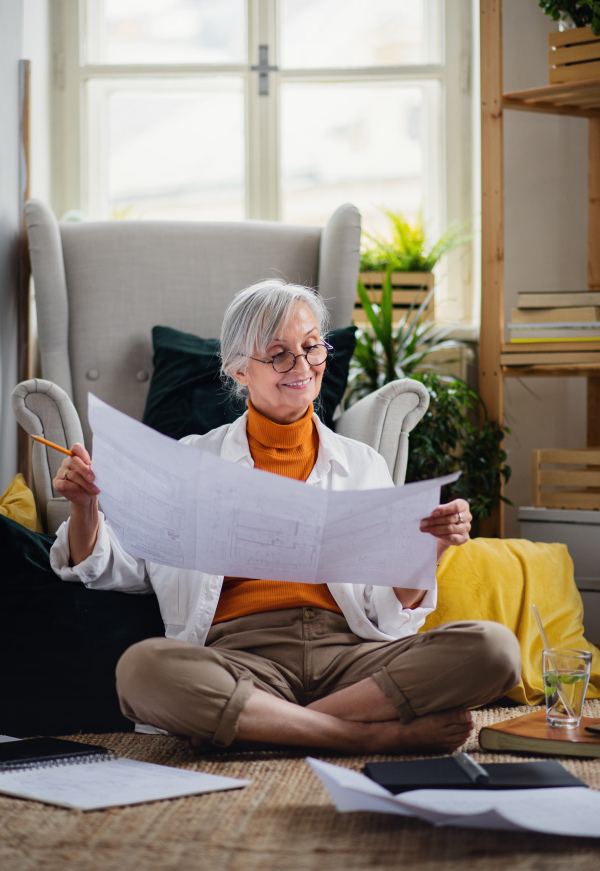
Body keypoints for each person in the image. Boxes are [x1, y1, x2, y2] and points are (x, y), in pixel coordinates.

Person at [50, 279, 521, 755]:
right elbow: (109, 567)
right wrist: (84, 505)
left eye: (311, 347)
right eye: (278, 354)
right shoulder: (191, 461)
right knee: (142, 670)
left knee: (494, 649)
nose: (301, 366)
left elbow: (390, 617)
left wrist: (428, 549)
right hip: (241, 661)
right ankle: (362, 734)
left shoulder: (363, 464)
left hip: (352, 661)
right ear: (238, 370)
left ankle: (258, 727)